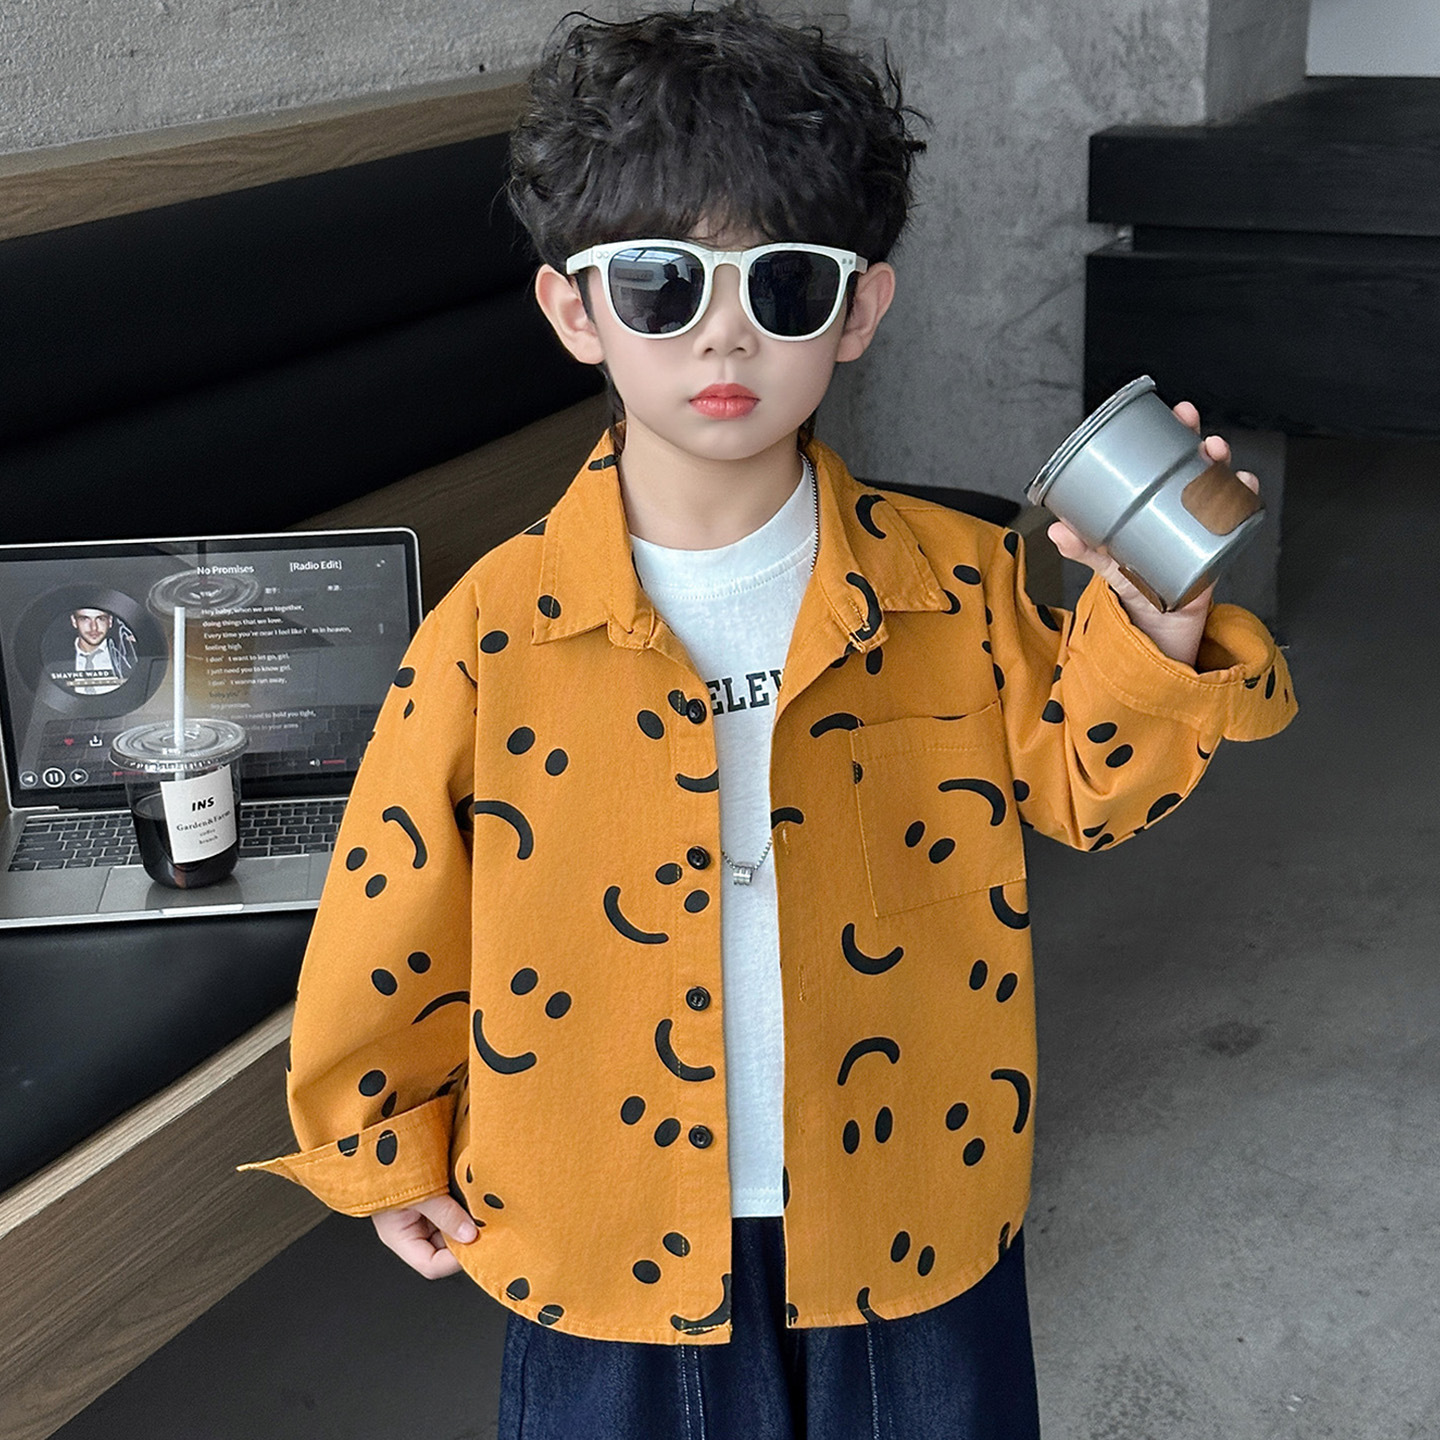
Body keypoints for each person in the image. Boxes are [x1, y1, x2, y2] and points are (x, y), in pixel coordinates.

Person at [246, 6, 1296, 1436]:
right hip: (597, 1219)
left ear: (859, 311)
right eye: (662, 283)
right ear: (574, 311)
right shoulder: (493, 633)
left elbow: (1089, 790)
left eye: (786, 282)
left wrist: (1155, 615)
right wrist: (386, 1141)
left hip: (908, 1198)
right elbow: (396, 898)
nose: (726, 330)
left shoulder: (955, 581)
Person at [65, 606, 134, 694]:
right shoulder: (57, 658)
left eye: (101, 619)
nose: (94, 627)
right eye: (85, 619)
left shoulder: (128, 654)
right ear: (74, 621)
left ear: (110, 621)